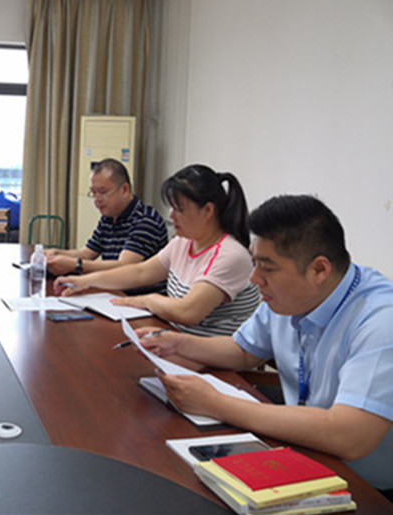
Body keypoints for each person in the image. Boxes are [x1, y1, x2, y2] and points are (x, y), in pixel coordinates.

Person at [138, 195, 393, 496]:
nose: (254, 278)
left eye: (267, 268)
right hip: (303, 455)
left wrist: (214, 403)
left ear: (319, 270)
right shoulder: (291, 296)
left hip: (368, 490)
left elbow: (350, 436)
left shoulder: (380, 320)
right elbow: (243, 351)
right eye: (254, 262)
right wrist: (179, 344)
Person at [56, 164, 259, 336]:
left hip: (213, 359)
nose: (171, 215)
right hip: (177, 341)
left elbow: (188, 311)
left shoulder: (230, 255)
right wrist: (85, 281)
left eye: (179, 209)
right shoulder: (183, 242)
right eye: (171, 207)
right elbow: (140, 272)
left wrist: (143, 300)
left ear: (208, 210)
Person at [45, 159, 168, 286]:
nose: (97, 200)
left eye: (102, 192)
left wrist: (76, 264)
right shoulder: (108, 218)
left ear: (124, 189)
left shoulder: (146, 220)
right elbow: (86, 254)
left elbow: (124, 266)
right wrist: (55, 254)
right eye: (93, 193)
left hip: (138, 295)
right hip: (113, 290)